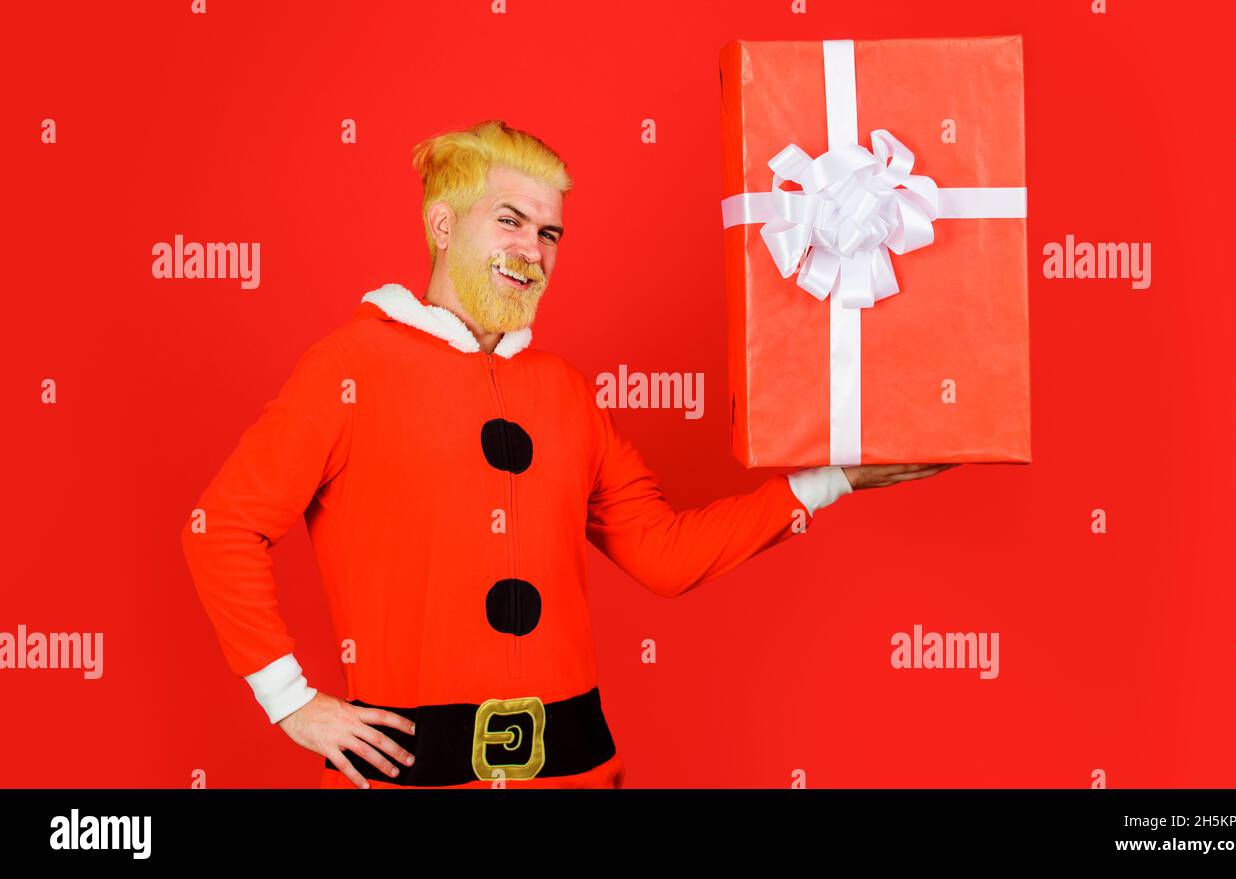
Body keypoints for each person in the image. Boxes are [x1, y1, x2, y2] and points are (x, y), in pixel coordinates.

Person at [179, 120, 957, 790]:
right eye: (510, 221)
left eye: (549, 233)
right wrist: (289, 699)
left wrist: (834, 480)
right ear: (443, 224)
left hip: (580, 767)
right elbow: (221, 527)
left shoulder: (565, 390)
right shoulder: (349, 365)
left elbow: (663, 554)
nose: (533, 250)